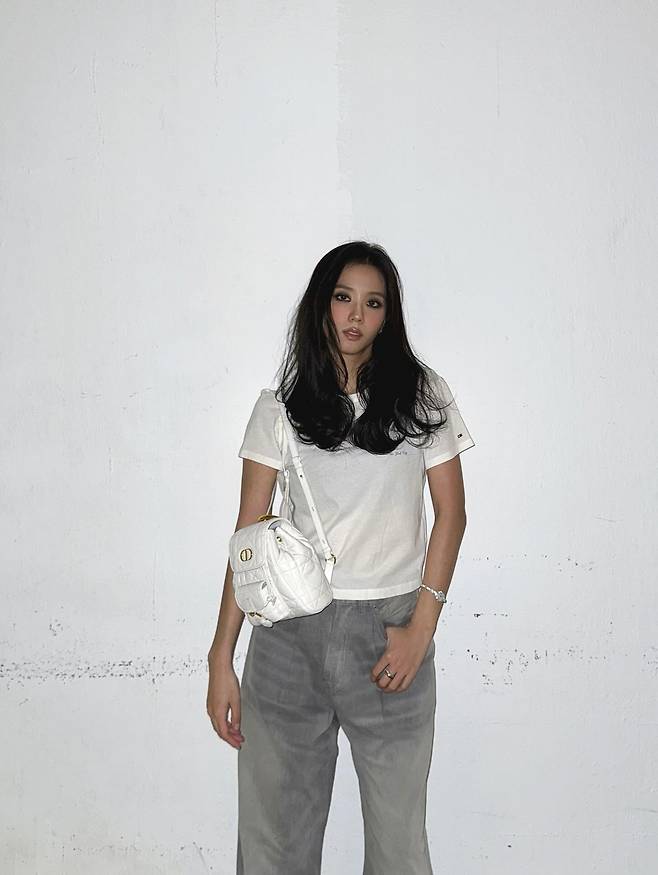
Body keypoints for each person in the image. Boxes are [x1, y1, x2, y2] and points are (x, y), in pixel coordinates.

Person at [206, 241, 475, 875]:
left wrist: (420, 629)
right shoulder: (278, 408)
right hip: (288, 640)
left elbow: (452, 515)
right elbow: (248, 537)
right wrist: (221, 658)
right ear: (321, 305)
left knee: (398, 848)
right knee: (273, 846)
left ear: (388, 316)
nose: (356, 315)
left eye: (373, 303)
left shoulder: (424, 396)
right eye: (343, 297)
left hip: (389, 636)